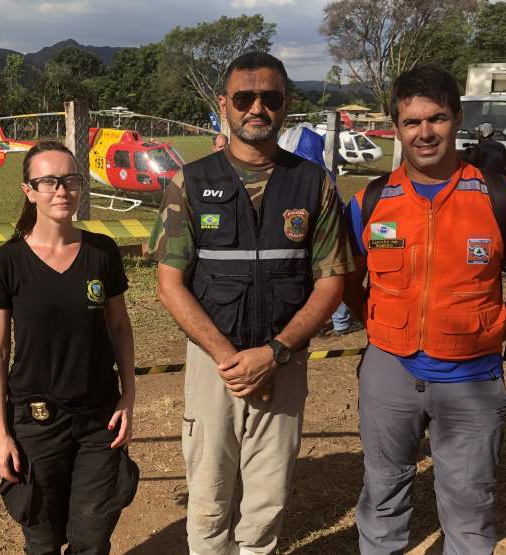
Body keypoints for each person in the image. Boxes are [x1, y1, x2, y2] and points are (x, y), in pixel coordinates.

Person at [149, 51, 352, 554]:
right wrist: (227, 357)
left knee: (267, 497)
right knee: (209, 495)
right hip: (214, 365)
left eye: (270, 98)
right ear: (225, 105)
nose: (256, 107)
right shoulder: (189, 183)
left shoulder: (314, 183)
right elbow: (169, 284)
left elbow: (331, 283)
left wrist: (275, 353)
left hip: (282, 363)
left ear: (286, 106)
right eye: (244, 97)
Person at [343, 65, 506, 554]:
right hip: (388, 369)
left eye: (436, 118)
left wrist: (492, 329)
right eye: (412, 121)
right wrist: (381, 324)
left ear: (456, 119)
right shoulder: (370, 201)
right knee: (382, 495)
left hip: (471, 378)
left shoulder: (502, 198)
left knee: (469, 506)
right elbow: (349, 282)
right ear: (396, 127)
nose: (424, 132)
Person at [0, 141, 138, 555]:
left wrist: (129, 397)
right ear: (29, 190)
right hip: (36, 422)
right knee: (43, 537)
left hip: (98, 420)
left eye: (70, 180)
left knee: (91, 537)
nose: (61, 190)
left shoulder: (101, 251)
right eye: (48, 181)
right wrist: (1, 432)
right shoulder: (5, 262)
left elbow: (119, 328)